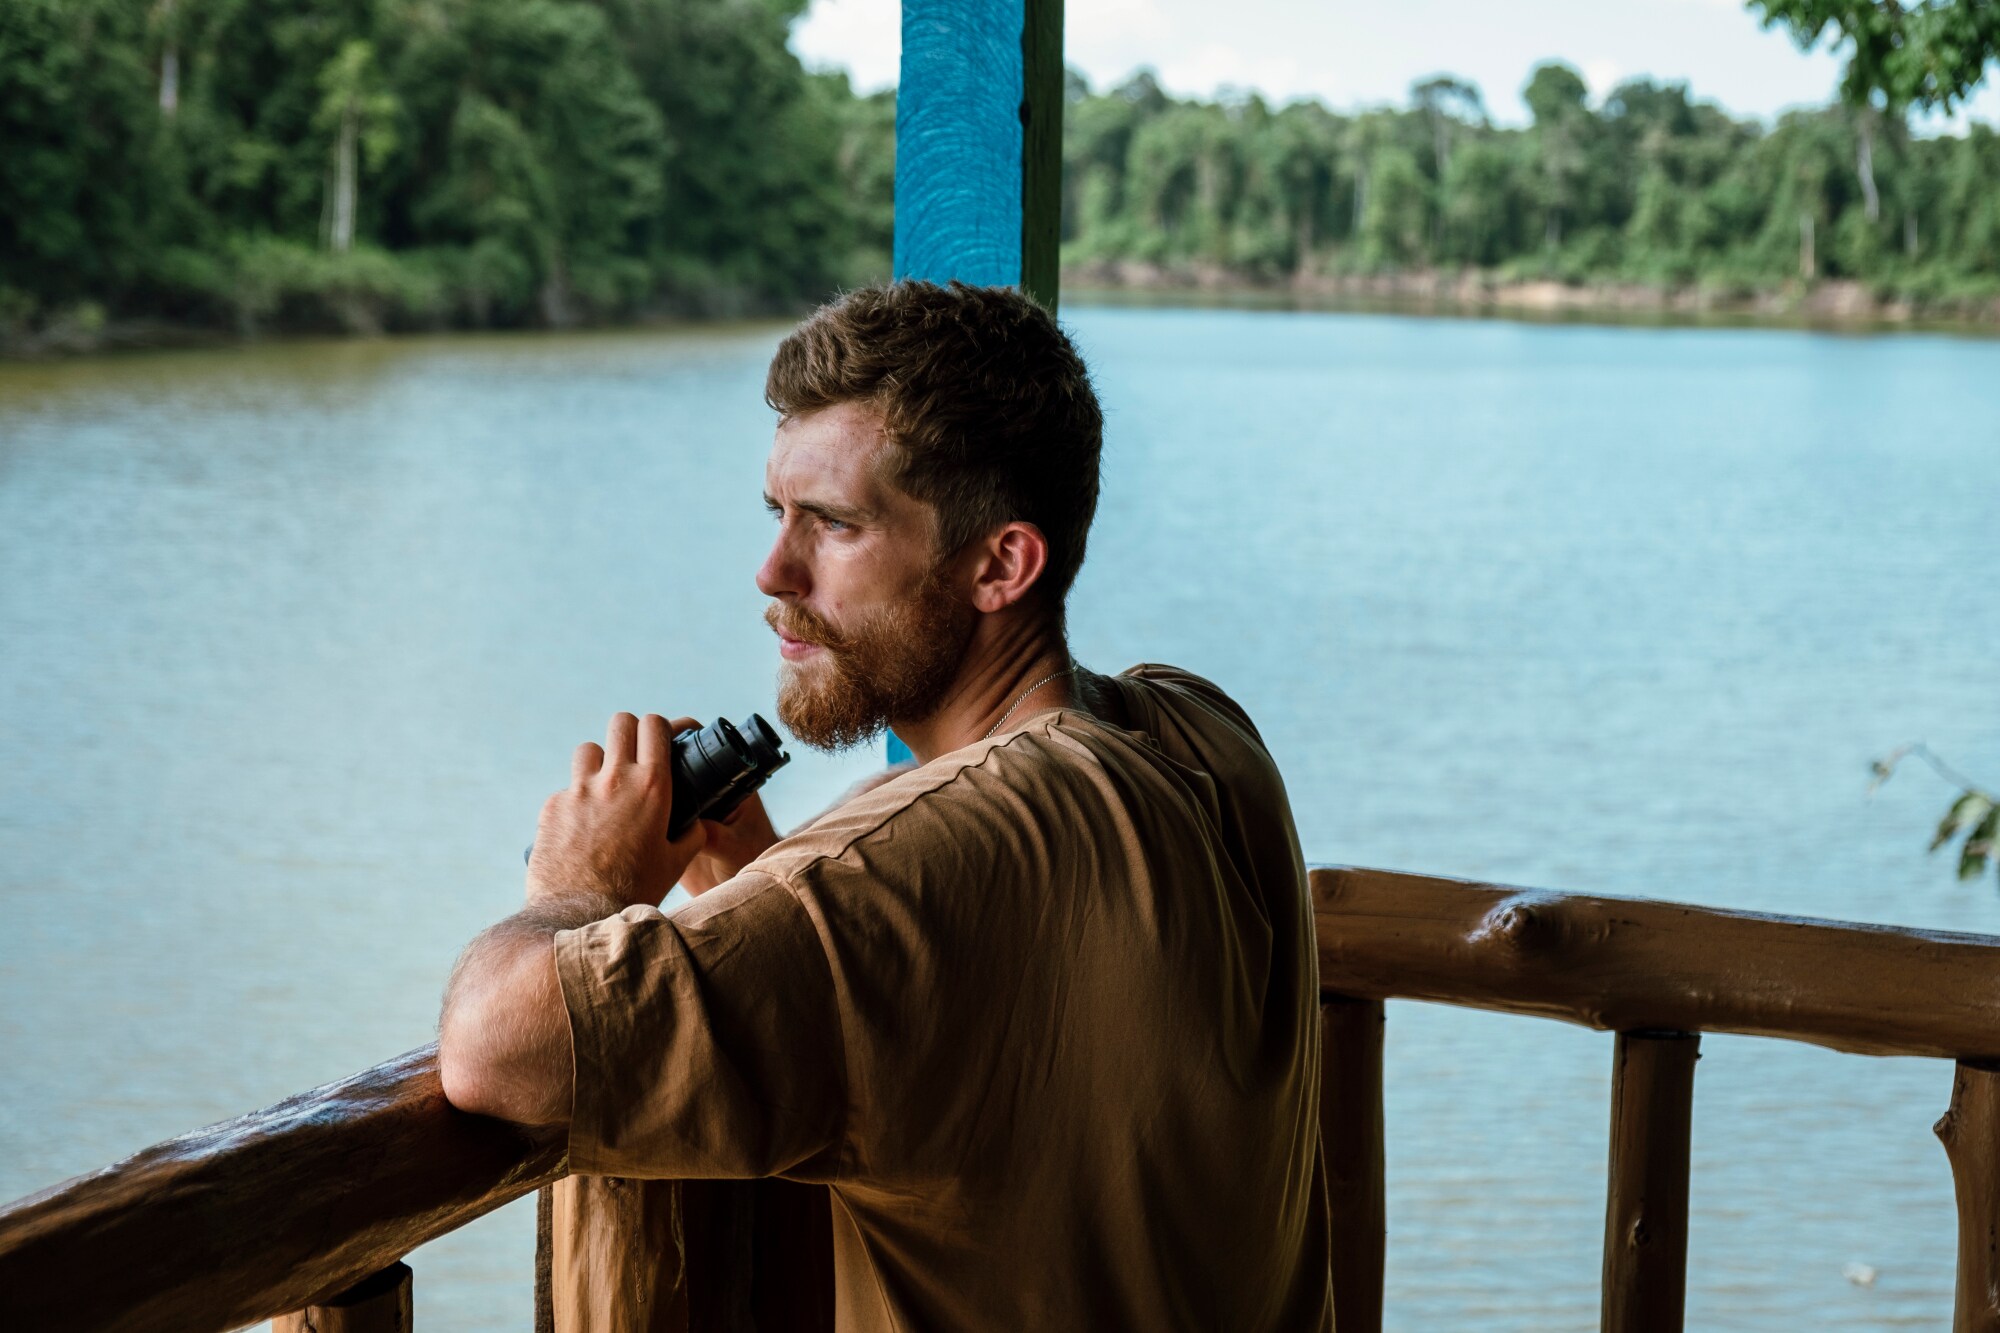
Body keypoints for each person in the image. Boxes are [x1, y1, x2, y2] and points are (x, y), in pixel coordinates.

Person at [437, 281, 1332, 1331]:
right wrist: (754, 877)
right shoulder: (1200, 731)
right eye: (776, 513)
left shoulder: (936, 852)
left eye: (833, 524)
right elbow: (958, 988)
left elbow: (497, 1045)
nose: (772, 571)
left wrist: (577, 884)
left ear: (1001, 563)